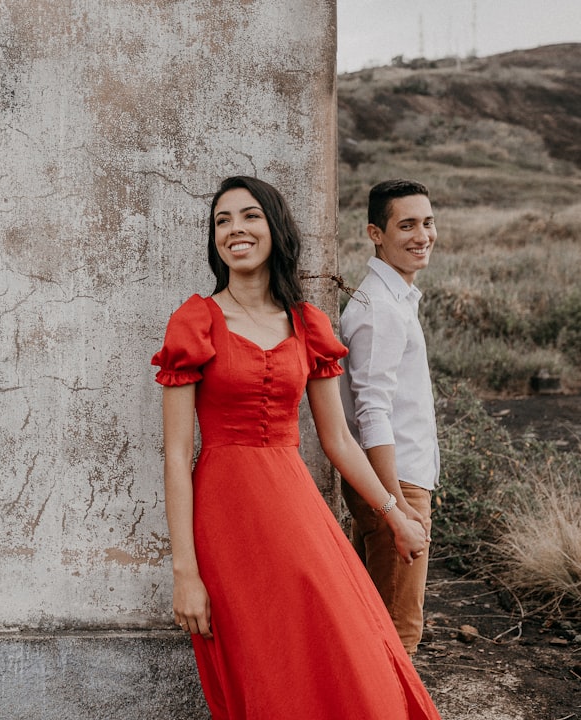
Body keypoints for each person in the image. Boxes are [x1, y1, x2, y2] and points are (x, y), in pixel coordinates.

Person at [152, 176, 440, 719]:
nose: (235, 229)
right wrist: (184, 573)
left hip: (296, 505)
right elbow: (175, 456)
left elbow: (338, 440)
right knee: (266, 664)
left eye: (249, 216)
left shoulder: (309, 324)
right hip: (226, 517)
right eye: (222, 220)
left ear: (275, 228)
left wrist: (394, 512)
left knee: (347, 644)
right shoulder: (195, 321)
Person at [339, 179, 440, 655]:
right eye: (407, 225)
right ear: (375, 233)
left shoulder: (395, 299)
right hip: (395, 486)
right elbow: (371, 411)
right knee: (397, 637)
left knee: (377, 626)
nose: (422, 235)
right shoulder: (380, 308)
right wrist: (397, 508)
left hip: (396, 483)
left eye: (427, 222)